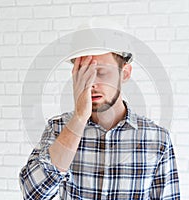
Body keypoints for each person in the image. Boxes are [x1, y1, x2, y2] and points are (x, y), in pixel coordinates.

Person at [19, 48, 180, 199]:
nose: (91, 84)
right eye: (84, 74)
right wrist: (79, 118)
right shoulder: (58, 129)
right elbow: (33, 194)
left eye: (101, 73)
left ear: (125, 73)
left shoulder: (157, 138)